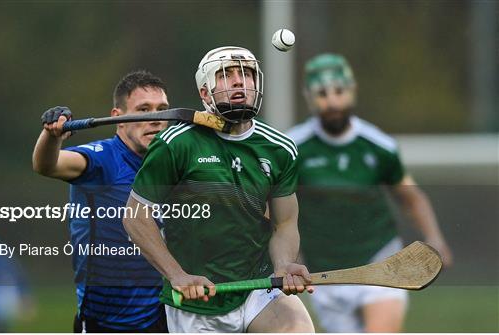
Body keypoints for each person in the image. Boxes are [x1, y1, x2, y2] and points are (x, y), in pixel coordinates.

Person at [122, 46, 315, 332]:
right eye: (227, 75)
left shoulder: (279, 148)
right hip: (196, 300)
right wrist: (177, 276)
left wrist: (284, 264)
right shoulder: (176, 144)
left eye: (247, 74)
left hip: (258, 289)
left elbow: (284, 223)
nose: (239, 81)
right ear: (204, 93)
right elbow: (135, 217)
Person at [287, 53, 454, 333]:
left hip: (380, 262)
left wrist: (434, 237)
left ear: (352, 91)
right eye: (322, 94)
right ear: (309, 97)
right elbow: (275, 208)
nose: (332, 102)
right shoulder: (292, 148)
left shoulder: (378, 145)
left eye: (339, 91)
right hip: (327, 273)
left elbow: (410, 197)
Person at [32, 70, 170, 332]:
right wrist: (52, 136)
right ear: (117, 118)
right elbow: (46, 165)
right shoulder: (102, 160)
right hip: (105, 322)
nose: (155, 119)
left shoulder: (172, 161)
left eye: (161, 109)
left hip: (162, 317)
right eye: (143, 110)